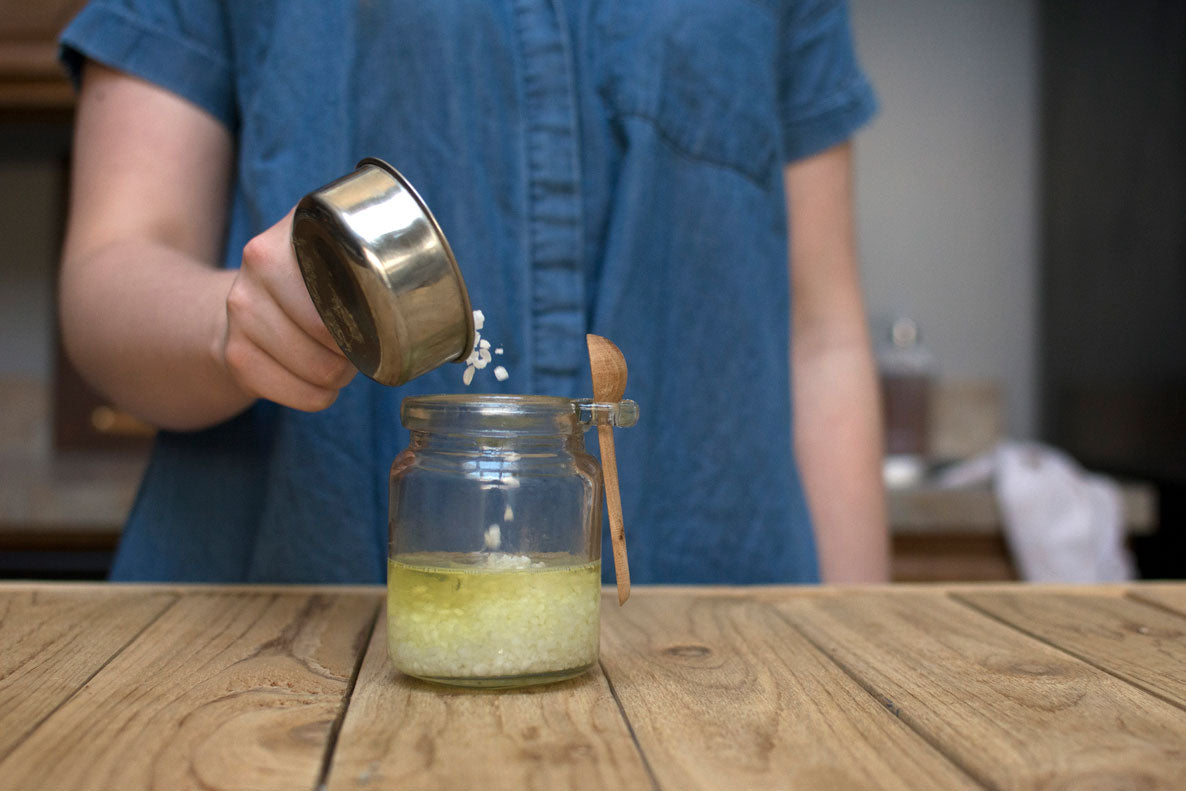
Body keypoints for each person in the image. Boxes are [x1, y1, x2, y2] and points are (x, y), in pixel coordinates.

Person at [57, 0, 890, 584]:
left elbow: (822, 339)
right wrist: (227, 326)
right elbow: (109, 272)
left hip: (714, 629)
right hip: (289, 631)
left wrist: (864, 673)